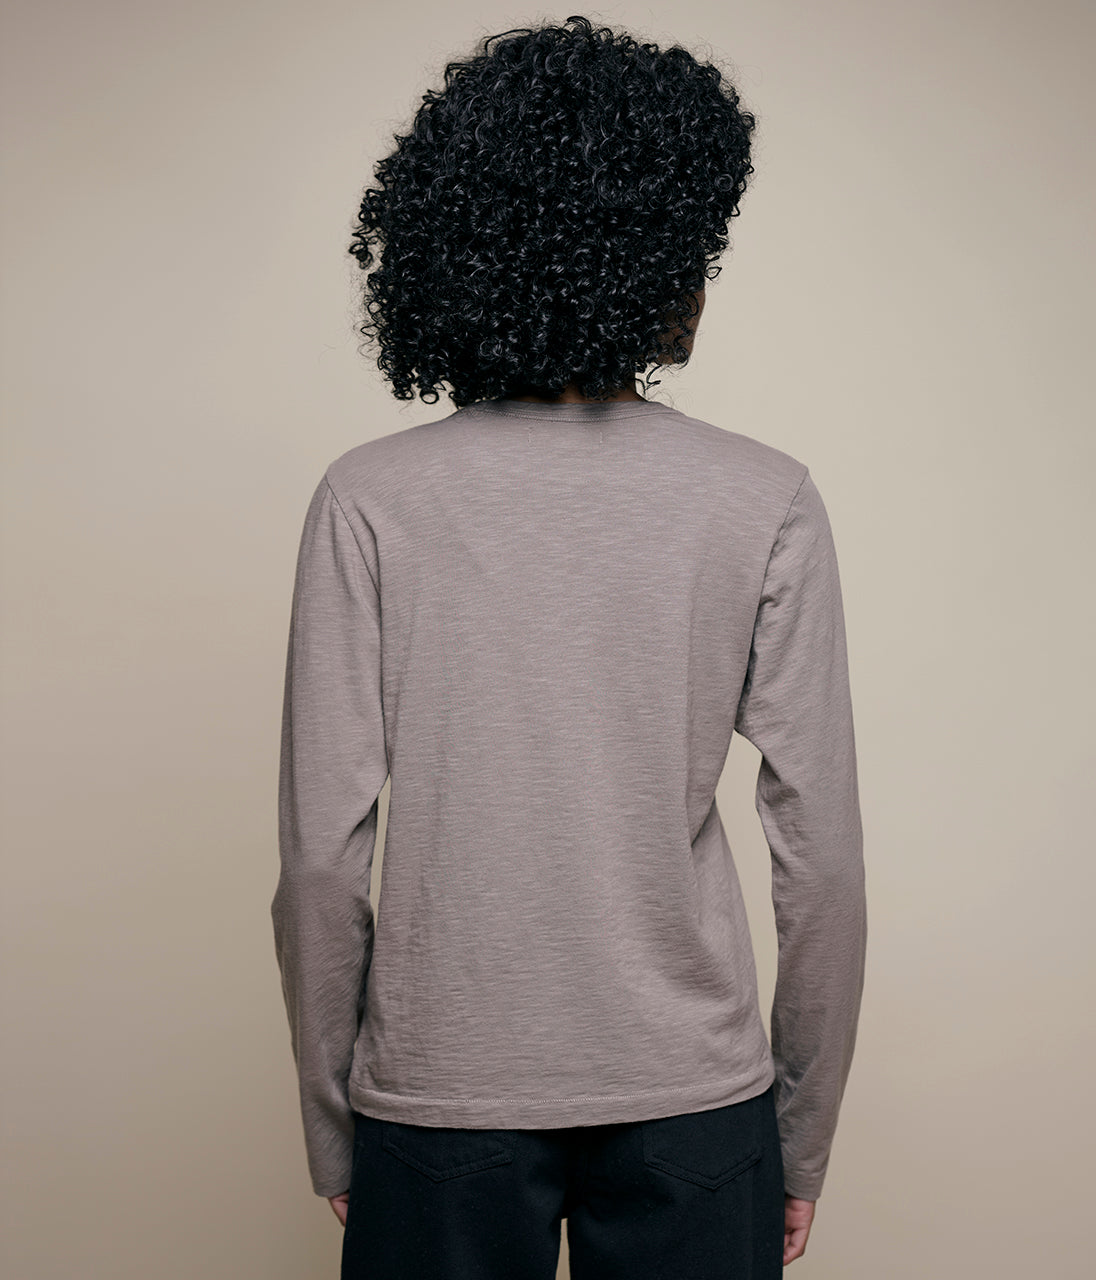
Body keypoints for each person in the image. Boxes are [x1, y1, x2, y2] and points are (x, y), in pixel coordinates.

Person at [270, 15, 867, 1278]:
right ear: (658, 254)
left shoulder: (369, 497)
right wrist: (798, 1135)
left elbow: (322, 862)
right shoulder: (761, 496)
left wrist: (338, 1122)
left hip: (438, 1095)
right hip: (696, 1103)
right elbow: (821, 860)